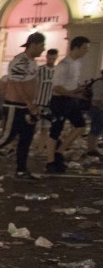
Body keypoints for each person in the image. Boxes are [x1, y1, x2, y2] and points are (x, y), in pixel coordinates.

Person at [0, 32, 45, 181]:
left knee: (26, 139)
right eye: (42, 45)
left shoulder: (31, 62)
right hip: (16, 106)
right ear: (34, 44)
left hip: (25, 106)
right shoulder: (20, 61)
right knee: (5, 138)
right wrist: (29, 103)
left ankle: (21, 169)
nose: (43, 49)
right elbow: (16, 84)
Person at [47, 36, 91, 172]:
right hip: (59, 100)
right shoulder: (63, 65)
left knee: (81, 126)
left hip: (71, 100)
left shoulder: (77, 63)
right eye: (85, 48)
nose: (86, 52)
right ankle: (50, 161)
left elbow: (70, 83)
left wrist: (78, 89)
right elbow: (57, 88)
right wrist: (74, 94)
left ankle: (59, 152)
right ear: (76, 47)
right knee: (55, 131)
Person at [86, 67, 103, 157]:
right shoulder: (99, 83)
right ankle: (91, 149)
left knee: (98, 129)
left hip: (99, 108)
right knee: (95, 129)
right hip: (97, 109)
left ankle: (93, 147)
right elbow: (97, 99)